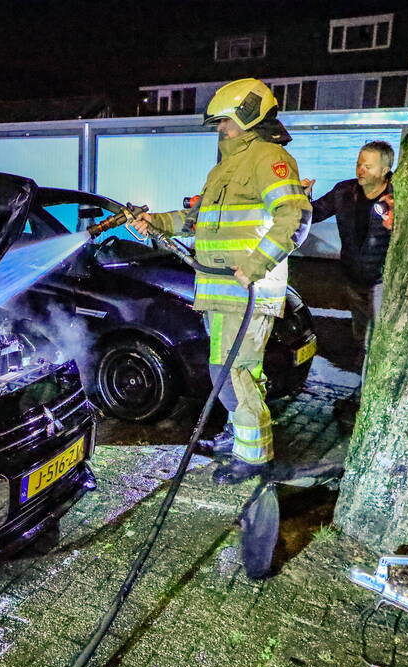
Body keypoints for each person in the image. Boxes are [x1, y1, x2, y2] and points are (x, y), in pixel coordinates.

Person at [125, 78, 312, 484]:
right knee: (225, 372)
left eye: (224, 121)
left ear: (247, 115)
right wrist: (154, 222)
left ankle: (254, 458)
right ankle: (236, 434)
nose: (219, 129)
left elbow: (294, 218)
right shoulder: (224, 168)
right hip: (218, 294)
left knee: (236, 373)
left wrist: (256, 264)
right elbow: (195, 221)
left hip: (245, 293)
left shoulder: (268, 158)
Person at [303, 141, 394, 366]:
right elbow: (315, 214)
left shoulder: (397, 198)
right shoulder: (344, 191)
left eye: (368, 166)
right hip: (353, 277)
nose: (360, 170)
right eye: (358, 164)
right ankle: (363, 380)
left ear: (384, 170)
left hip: (384, 282)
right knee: (361, 336)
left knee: (379, 340)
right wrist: (303, 197)